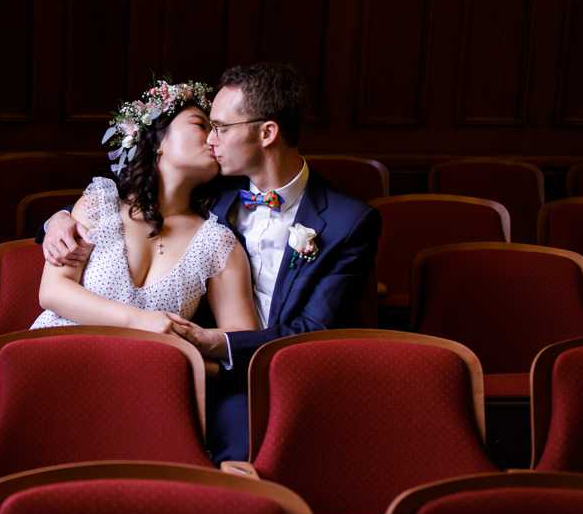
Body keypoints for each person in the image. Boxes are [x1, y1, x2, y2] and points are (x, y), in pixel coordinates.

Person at [42, 63, 381, 464]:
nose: (212, 140)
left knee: (226, 458)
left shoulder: (347, 222)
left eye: (219, 127)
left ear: (266, 132)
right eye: (206, 127)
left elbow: (312, 332)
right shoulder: (218, 189)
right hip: (119, 362)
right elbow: (140, 198)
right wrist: (55, 220)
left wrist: (211, 342)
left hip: (257, 370)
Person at [31, 80, 260, 347]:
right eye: (201, 125)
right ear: (158, 141)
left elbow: (245, 334)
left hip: (144, 374)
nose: (213, 139)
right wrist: (140, 320)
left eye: (217, 130)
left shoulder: (217, 242)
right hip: (55, 351)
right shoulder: (100, 204)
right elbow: (53, 291)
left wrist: (193, 338)